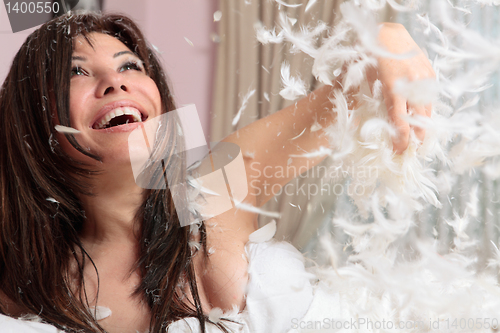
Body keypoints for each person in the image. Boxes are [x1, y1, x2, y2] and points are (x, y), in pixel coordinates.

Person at [0, 10, 434, 333]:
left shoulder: (208, 191)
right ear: (33, 123)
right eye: (76, 72)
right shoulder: (27, 282)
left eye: (130, 65)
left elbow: (350, 91)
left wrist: (387, 37)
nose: (116, 82)